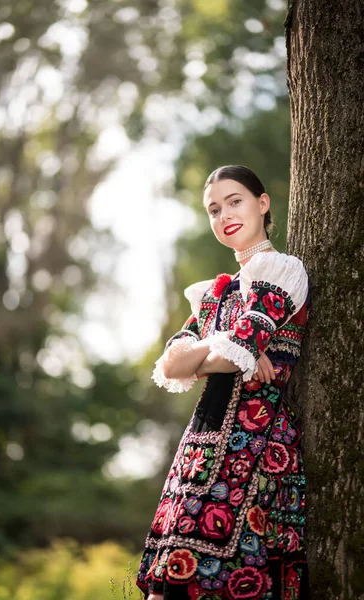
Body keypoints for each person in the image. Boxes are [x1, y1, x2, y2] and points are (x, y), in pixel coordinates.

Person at [135, 165, 310, 600]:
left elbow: (238, 357)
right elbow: (172, 365)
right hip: (199, 444)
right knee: (166, 581)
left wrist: (225, 353)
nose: (224, 215)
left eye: (235, 201)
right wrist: (227, 344)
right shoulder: (212, 294)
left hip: (255, 440)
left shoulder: (282, 271)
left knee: (223, 579)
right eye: (214, 209)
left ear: (262, 203)